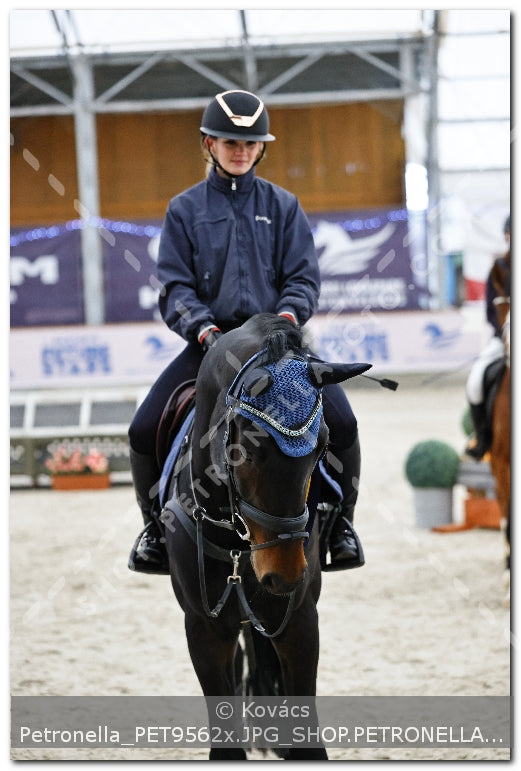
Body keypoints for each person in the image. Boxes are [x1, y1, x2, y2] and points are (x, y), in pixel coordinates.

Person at [128, 89, 363, 574]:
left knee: (342, 422)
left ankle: (342, 525)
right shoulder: (184, 210)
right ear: (209, 144)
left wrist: (288, 320)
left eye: (250, 143)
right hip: (211, 345)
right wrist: (205, 330)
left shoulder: (283, 205)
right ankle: (154, 529)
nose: (241, 151)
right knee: (144, 426)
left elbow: (302, 278)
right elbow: (175, 287)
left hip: (277, 345)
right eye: (230, 141)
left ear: (261, 149)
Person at [465, 214, 510, 460]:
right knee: (475, 381)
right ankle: (482, 439)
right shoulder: (498, 269)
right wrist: (506, 333)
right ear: (506, 236)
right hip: (503, 338)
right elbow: (491, 313)